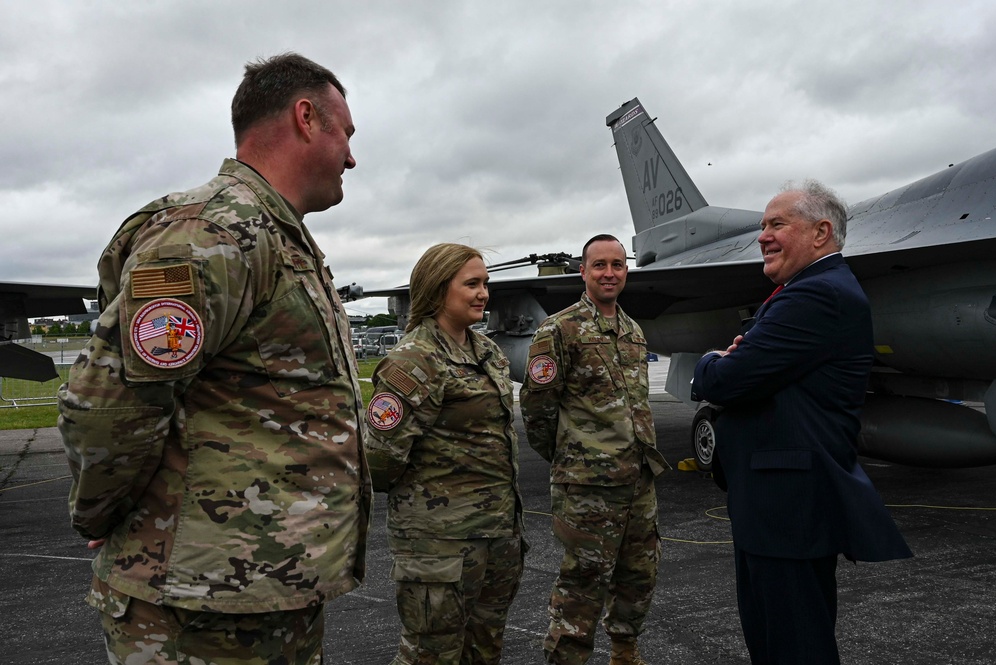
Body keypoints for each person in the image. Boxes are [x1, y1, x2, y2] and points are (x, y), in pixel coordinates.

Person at [58, 53, 370, 664]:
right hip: (196, 607)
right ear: (306, 118)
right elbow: (109, 406)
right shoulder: (213, 234)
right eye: (346, 134)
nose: (352, 157)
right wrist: (102, 511)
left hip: (262, 592)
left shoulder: (277, 237)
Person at [692, 180, 912, 664]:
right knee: (776, 638)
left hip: (786, 505)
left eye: (777, 225)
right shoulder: (809, 290)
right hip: (777, 502)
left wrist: (708, 361)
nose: (763, 237)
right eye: (762, 225)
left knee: (793, 644)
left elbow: (726, 381)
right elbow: (748, 373)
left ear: (821, 232)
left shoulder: (816, 294)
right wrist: (732, 365)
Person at [366, 243, 526, 665]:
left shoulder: (486, 352)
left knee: (484, 648)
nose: (483, 293)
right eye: (471, 284)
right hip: (439, 544)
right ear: (438, 290)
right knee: (431, 654)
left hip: (495, 536)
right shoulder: (415, 360)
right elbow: (380, 462)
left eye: (485, 284)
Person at [520, 234, 667, 665]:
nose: (609, 273)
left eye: (617, 265)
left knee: (640, 575)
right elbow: (538, 411)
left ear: (626, 271)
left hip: (638, 479)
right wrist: (574, 459)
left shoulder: (633, 331)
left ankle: (624, 651)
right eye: (599, 265)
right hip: (587, 486)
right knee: (583, 583)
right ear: (582, 271)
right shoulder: (558, 330)